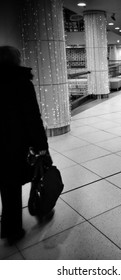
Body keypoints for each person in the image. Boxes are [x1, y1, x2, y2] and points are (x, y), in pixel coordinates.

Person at [0, 46, 50, 245]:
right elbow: (32, 117)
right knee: (41, 173)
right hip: (19, 143)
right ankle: (43, 206)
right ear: (16, 60)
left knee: (8, 186)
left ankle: (11, 229)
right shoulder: (21, 82)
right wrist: (41, 145)